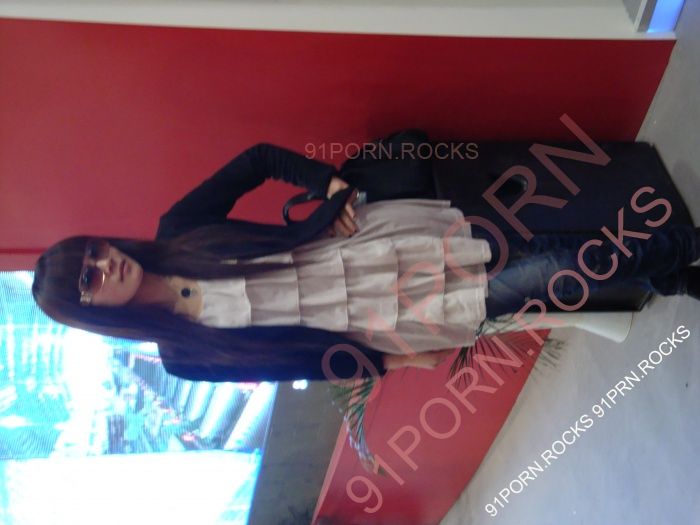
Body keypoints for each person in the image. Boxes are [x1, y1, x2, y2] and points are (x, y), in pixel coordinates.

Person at [32, 143, 700, 383]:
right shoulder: (182, 356)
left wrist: (327, 184)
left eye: (93, 251)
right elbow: (288, 365)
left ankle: (679, 261)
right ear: (89, 310)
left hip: (374, 247)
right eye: (89, 278)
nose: (105, 264)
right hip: (385, 321)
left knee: (547, 255)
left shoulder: (177, 230)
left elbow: (256, 160)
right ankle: (676, 264)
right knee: (546, 276)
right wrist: (390, 364)